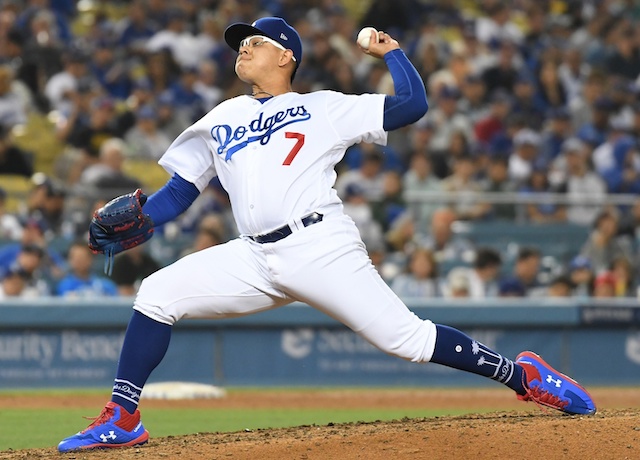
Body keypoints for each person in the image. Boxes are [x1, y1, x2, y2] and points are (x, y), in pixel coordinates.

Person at [57, 17, 596, 453]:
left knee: (406, 340)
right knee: (156, 294)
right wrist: (143, 218)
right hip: (253, 255)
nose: (242, 48)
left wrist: (391, 53)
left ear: (286, 54)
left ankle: (522, 375)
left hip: (320, 246)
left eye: (255, 42)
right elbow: (178, 194)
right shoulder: (221, 117)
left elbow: (411, 106)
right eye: (239, 44)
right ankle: (123, 417)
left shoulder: (323, 107)